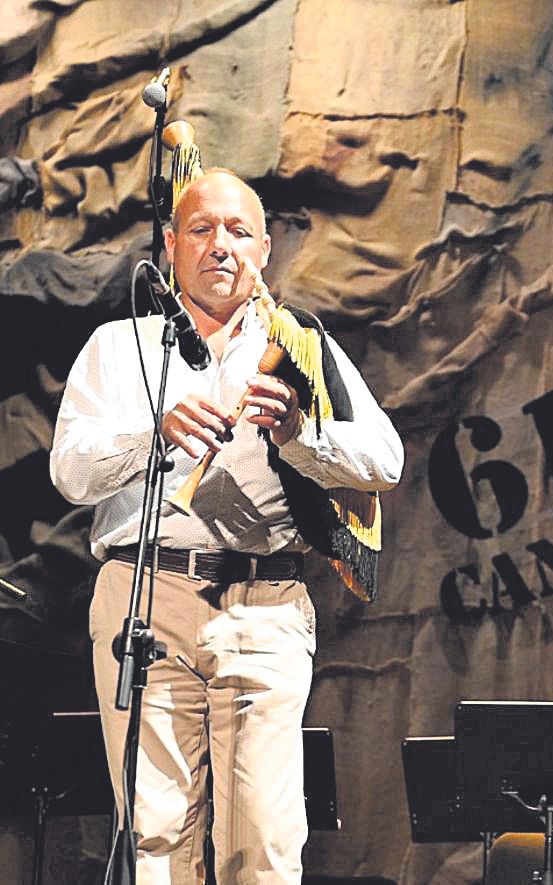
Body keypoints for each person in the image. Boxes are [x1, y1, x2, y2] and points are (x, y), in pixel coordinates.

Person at [50, 169, 404, 883]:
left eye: (239, 231)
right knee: (153, 837)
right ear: (172, 245)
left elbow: (385, 460)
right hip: (143, 593)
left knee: (264, 844)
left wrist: (302, 435)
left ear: (265, 250)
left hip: (264, 605)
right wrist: (155, 433)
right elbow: (71, 473)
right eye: (203, 230)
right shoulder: (120, 346)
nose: (221, 246)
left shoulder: (300, 342)